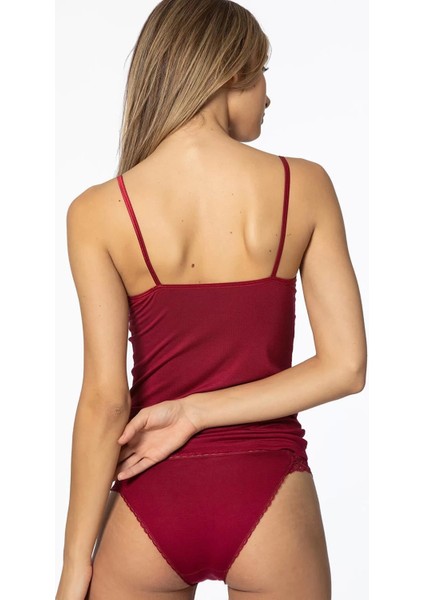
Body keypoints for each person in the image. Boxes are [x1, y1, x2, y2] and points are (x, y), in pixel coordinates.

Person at [56, 0, 367, 598]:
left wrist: (75, 566)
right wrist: (197, 413)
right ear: (229, 72)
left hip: (151, 498)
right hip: (271, 493)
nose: (269, 94)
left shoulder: (97, 212)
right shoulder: (304, 186)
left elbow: (104, 401)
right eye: (262, 71)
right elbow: (346, 367)